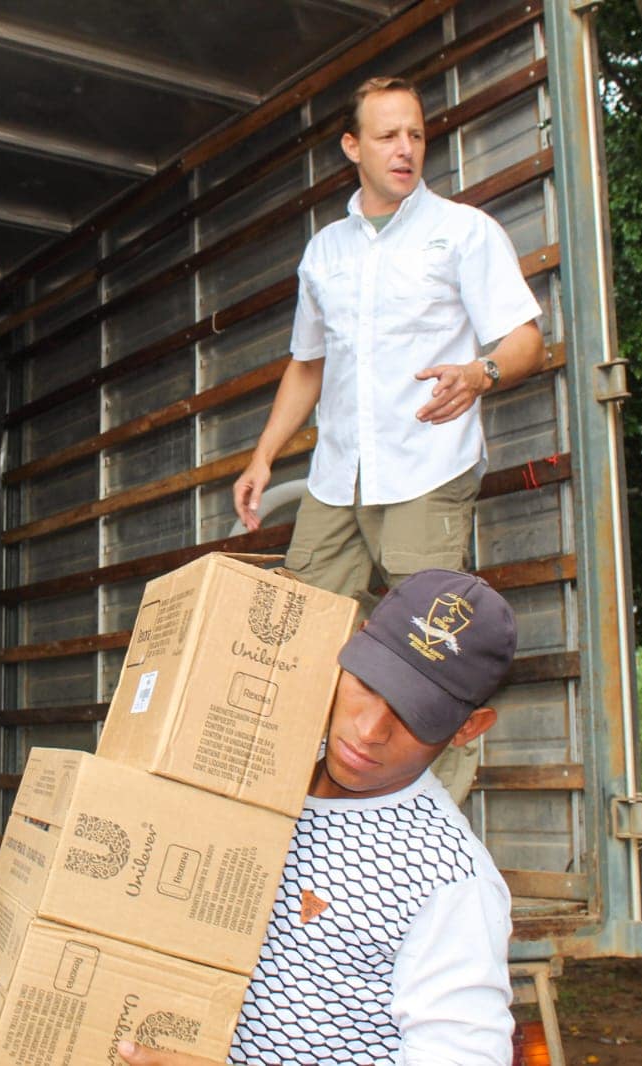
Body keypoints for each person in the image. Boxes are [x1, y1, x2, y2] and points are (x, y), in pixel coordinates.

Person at [0, 568, 520, 1065]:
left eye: (414, 713)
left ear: (470, 727)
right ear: (351, 648)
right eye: (367, 684)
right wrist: (19, 949)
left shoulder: (449, 881)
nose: (369, 730)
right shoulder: (260, 764)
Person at [231, 75, 546, 804]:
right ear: (352, 147)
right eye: (386, 136)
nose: (404, 149)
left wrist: (481, 371)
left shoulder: (463, 232)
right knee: (297, 643)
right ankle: (295, 810)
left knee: (425, 657)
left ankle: (433, 825)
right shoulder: (325, 252)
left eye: (414, 135)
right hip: (336, 477)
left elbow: (524, 339)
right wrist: (262, 456)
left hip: (427, 470)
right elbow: (307, 365)